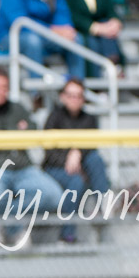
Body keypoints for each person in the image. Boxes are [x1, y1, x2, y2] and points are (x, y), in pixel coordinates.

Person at [0, 67, 65, 246]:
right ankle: (15, 228)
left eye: (4, 87)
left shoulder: (16, 107)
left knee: (53, 195)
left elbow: (33, 130)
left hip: (21, 168)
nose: (0, 91)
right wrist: (15, 134)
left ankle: (7, 225)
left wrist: (7, 141)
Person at [43, 79, 110, 243]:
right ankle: (67, 234)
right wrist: (70, 157)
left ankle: (104, 203)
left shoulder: (89, 118)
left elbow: (91, 146)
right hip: (55, 168)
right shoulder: (54, 117)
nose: (74, 99)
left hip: (81, 165)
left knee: (95, 160)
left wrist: (77, 152)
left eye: (78, 96)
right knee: (76, 182)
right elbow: (49, 153)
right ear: (63, 97)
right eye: (70, 95)